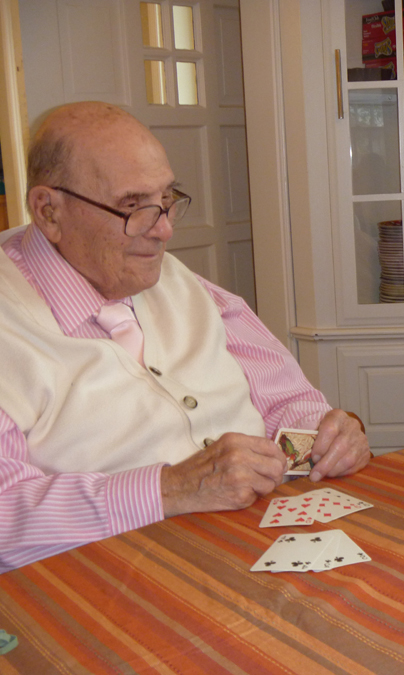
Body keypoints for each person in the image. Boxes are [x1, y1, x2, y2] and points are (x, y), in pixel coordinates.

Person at [0, 102, 371, 572]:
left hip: (263, 551)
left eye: (167, 198)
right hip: (118, 579)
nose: (165, 230)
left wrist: (327, 435)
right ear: (49, 211)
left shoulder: (181, 282)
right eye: (132, 207)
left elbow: (286, 401)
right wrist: (169, 490)